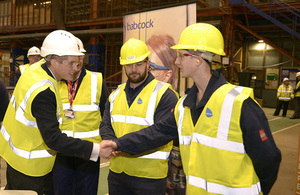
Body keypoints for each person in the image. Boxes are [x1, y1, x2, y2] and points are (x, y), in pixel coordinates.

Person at [103, 23, 282, 195]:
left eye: (181, 55)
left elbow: (269, 159)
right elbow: (155, 133)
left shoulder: (239, 103)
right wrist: (118, 144)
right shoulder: (184, 105)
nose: (177, 62)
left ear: (198, 59)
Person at [0, 30, 112, 195]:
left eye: (78, 61)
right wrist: (96, 150)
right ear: (53, 60)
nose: (76, 68)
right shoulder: (44, 92)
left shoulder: (35, 69)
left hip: (16, 157)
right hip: (30, 167)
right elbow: (53, 138)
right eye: (71, 63)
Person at [100, 38, 178, 195]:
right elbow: (106, 124)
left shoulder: (165, 95)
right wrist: (111, 141)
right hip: (117, 174)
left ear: (148, 63)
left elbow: (156, 135)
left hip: (149, 178)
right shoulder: (115, 95)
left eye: (139, 64)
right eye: (128, 65)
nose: (133, 69)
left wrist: (118, 145)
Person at [52, 37, 109, 195]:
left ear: (83, 57)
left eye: (79, 59)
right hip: (62, 152)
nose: (76, 64)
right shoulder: (54, 81)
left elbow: (106, 116)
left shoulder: (97, 81)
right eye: (72, 60)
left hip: (89, 153)